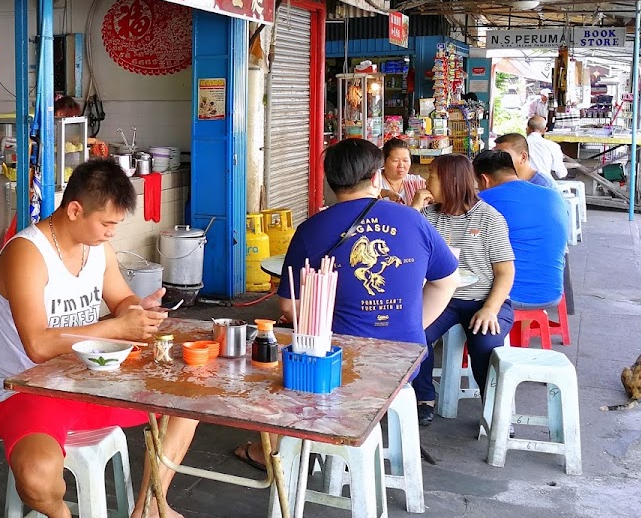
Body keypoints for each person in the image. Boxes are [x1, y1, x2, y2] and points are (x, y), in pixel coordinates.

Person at [0, 158, 221, 518]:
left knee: (191, 397)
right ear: (75, 210)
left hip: (92, 382)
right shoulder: (27, 253)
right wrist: (115, 328)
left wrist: (135, 310)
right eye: (107, 224)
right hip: (28, 392)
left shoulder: (97, 248)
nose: (111, 234)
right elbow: (39, 346)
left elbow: (120, 298)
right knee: (36, 477)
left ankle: (149, 507)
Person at [234, 139, 458, 469]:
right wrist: (408, 324)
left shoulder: (312, 229)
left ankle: (279, 450)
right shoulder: (414, 221)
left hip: (339, 363)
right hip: (404, 362)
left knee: (275, 361)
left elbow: (287, 306)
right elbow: (446, 281)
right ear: (376, 177)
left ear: (330, 182)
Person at [413, 154, 515, 425]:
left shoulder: (489, 218)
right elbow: (406, 247)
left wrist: (491, 309)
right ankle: (424, 398)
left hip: (482, 299)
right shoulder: (428, 216)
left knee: (485, 345)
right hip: (441, 299)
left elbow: (505, 272)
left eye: (432, 175)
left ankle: (495, 410)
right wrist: (414, 208)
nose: (426, 181)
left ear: (450, 181)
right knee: (413, 335)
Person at [473, 150, 569, 309]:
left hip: (508, 295)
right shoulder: (553, 195)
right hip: (552, 292)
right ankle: (519, 332)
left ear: (484, 179)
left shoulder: (485, 200)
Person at [372, 138, 430, 207]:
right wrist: (387, 193)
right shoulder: (374, 179)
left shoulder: (417, 182)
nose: (401, 165)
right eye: (395, 161)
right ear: (384, 161)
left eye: (405, 161)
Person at [526, 116, 568, 180]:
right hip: (545, 183)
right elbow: (561, 173)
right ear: (545, 129)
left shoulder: (519, 145)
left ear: (527, 129)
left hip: (523, 183)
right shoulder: (553, 146)